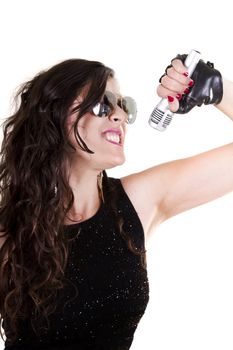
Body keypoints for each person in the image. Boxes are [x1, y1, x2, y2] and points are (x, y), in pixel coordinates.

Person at [0, 53, 232, 350]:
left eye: (124, 106)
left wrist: (218, 90)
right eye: (101, 104)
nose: (120, 116)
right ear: (54, 117)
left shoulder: (138, 201)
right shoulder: (10, 232)